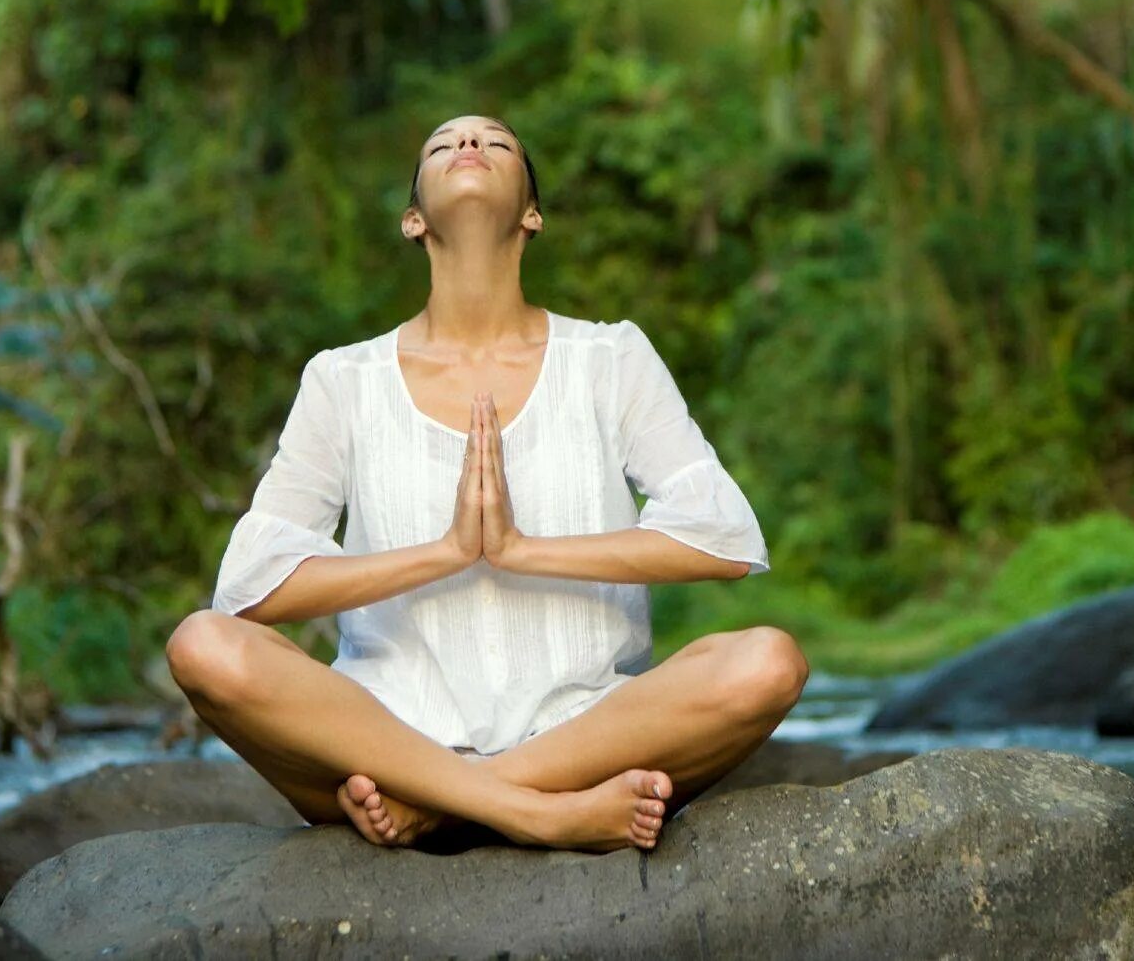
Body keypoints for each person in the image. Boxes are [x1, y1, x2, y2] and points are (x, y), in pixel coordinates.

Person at [164, 114, 805, 854]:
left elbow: (722, 537)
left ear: (532, 214)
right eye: (443, 145)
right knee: (204, 646)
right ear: (413, 220)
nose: (468, 145)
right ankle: (533, 813)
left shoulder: (610, 358)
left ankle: (447, 807)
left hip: (583, 740)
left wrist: (519, 549)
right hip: (381, 745)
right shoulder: (343, 379)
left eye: (495, 143)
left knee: (767, 663)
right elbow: (249, 587)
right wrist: (446, 552)